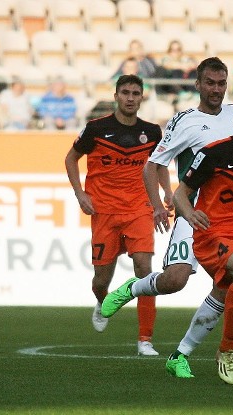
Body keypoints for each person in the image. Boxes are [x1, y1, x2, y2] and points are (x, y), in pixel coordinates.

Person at [100, 58, 233, 384]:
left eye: (221, 83)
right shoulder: (185, 120)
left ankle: (181, 355)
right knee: (175, 280)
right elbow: (153, 165)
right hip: (194, 213)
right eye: (210, 83)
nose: (216, 89)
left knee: (227, 288)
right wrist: (158, 205)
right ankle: (134, 288)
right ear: (198, 84)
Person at [65, 74, 170, 356]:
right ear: (116, 96)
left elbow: (158, 166)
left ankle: (145, 340)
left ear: (142, 97)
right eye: (125, 92)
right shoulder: (96, 129)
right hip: (104, 211)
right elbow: (70, 158)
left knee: (144, 270)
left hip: (139, 208)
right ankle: (102, 303)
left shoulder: (152, 132)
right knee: (101, 281)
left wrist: (165, 195)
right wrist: (80, 193)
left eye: (136, 93)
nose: (130, 98)